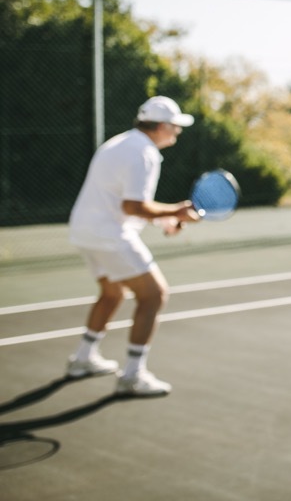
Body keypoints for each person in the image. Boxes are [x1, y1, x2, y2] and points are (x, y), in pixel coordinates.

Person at [65, 95, 201, 396]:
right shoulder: (144, 152)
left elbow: (120, 201)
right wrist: (175, 212)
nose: (178, 132)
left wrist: (163, 220)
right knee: (154, 295)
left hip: (83, 231)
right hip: (109, 234)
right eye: (176, 126)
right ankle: (132, 376)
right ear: (163, 126)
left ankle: (82, 359)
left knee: (112, 293)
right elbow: (132, 205)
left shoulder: (119, 143)